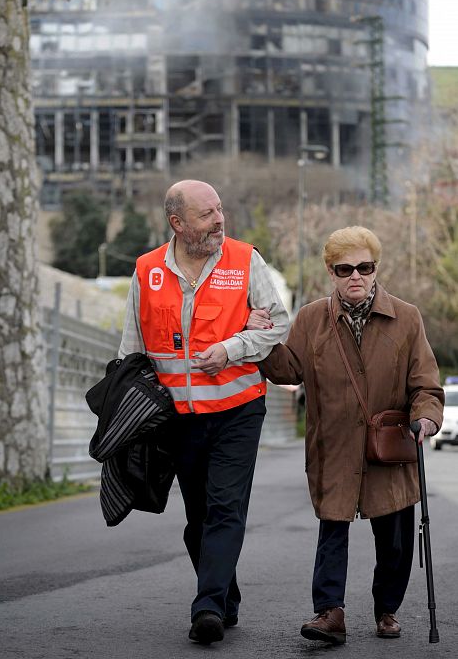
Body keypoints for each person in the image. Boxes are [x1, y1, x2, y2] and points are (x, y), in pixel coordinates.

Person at [248, 225, 444, 645]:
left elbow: (425, 386)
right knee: (332, 532)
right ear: (331, 272)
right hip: (334, 446)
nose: (355, 276)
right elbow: (288, 370)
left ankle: (387, 609)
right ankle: (329, 612)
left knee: (394, 540)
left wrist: (426, 418)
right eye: (344, 269)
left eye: (364, 267)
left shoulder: (407, 318)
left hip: (389, 448)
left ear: (376, 269)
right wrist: (261, 340)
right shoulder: (311, 318)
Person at [118, 179, 290, 645]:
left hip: (238, 409)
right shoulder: (147, 271)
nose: (219, 220)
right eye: (207, 214)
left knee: (225, 507)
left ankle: (207, 607)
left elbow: (277, 323)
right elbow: (131, 350)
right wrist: (126, 412)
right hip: (178, 419)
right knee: (198, 518)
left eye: (220, 210)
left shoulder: (245, 259)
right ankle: (225, 597)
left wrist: (232, 348)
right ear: (177, 223)